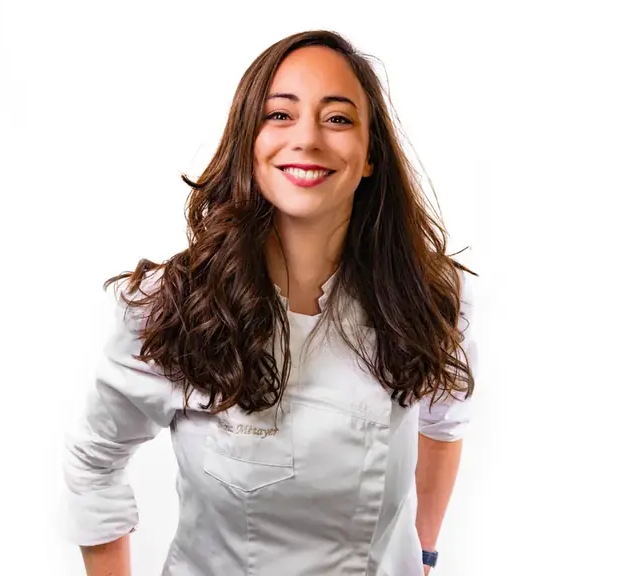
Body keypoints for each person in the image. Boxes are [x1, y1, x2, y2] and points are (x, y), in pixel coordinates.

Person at [62, 29, 478, 576]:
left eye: (338, 118)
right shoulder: (175, 307)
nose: (307, 138)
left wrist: (423, 556)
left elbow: (444, 421)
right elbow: (94, 465)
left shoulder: (428, 296)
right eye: (280, 115)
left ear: (370, 155)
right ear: (248, 143)